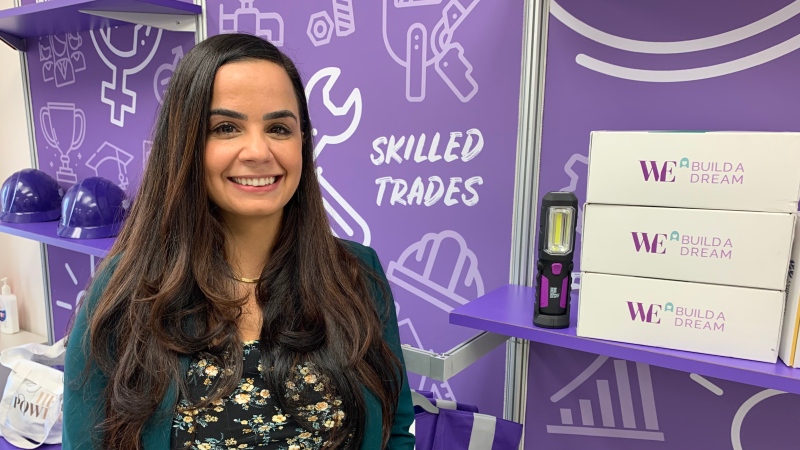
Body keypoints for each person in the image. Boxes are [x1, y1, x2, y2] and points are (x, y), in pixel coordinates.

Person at [63, 33, 415, 450]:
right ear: (185, 143)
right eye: (226, 128)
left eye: (279, 128)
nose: (258, 151)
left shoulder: (357, 276)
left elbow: (395, 429)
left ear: (303, 140)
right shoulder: (124, 296)